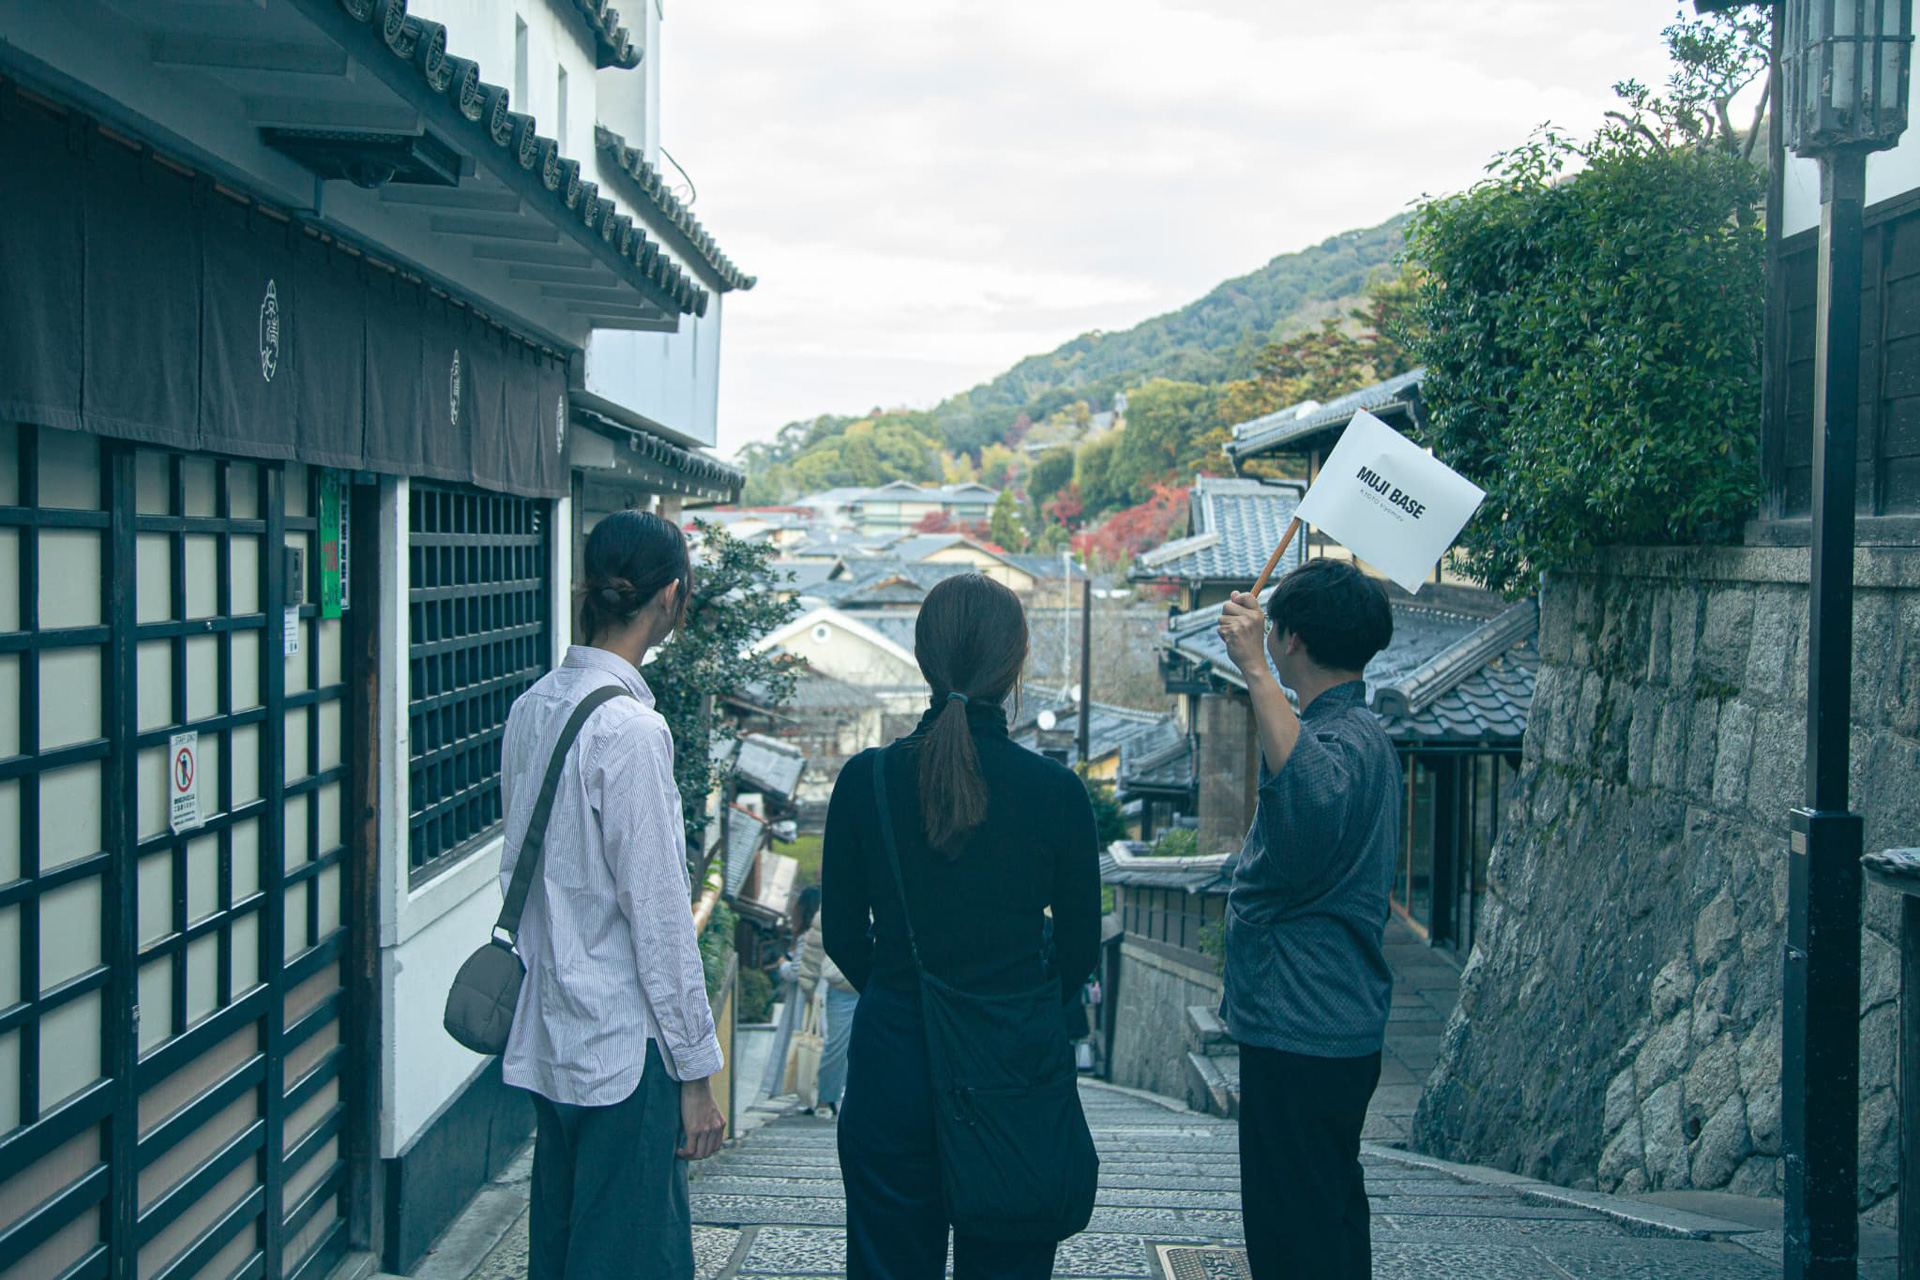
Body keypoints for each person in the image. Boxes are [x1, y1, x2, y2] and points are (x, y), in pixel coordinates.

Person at [823, 574, 1101, 1280]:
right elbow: (1078, 950)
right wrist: (1022, 1005)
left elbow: (843, 938)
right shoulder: (1056, 794)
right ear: (1015, 666)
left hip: (894, 1063)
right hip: (1014, 1066)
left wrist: (899, 988)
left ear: (923, 658)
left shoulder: (867, 781)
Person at [498, 510, 727, 1280]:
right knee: (633, 1256)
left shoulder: (533, 708)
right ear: (668, 599)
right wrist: (697, 1075)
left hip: (551, 1031)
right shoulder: (629, 730)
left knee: (563, 1255)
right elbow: (661, 917)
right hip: (624, 1053)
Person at [1214, 559, 1399, 1280]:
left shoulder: (1342, 740)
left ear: (1290, 639)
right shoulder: (1360, 731)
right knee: (1326, 1209)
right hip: (1333, 1017)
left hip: (1304, 1020)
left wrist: (1254, 671)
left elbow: (1310, 807)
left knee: (1293, 1227)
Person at [792, 887, 861, 1118]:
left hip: (879, 983)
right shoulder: (836, 901)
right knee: (837, 1046)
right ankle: (827, 1097)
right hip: (843, 987)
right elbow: (813, 947)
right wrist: (808, 985)